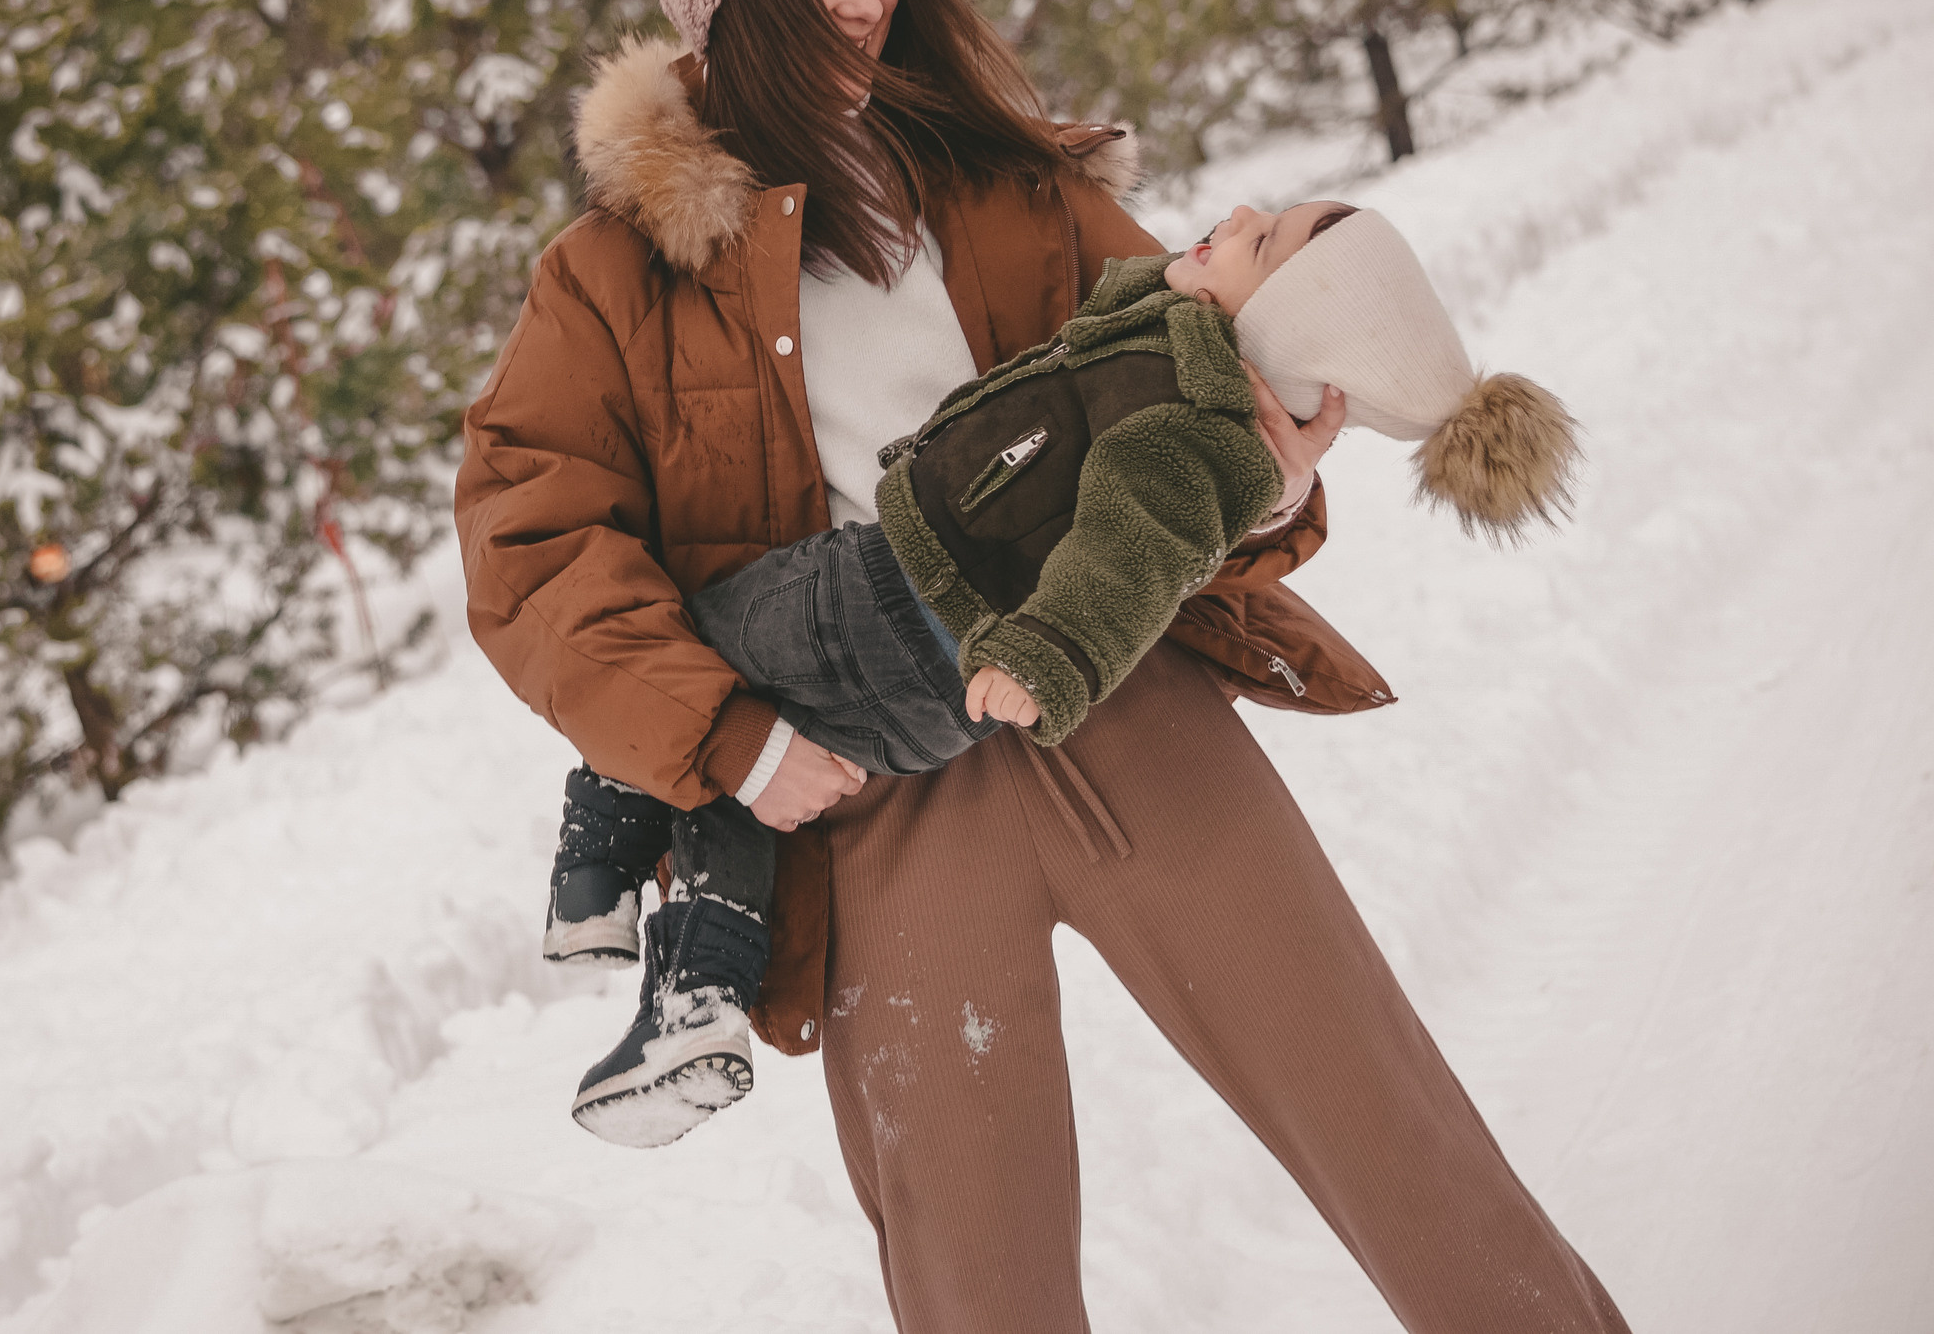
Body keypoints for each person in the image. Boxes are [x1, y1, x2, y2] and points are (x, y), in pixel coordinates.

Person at [457, 0, 1629, 1334]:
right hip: (879, 801)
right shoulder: (612, 275)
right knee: (973, 1264)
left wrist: (1275, 488)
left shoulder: (1004, 178)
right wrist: (725, 742)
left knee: (1381, 1113)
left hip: (1120, 695)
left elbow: (1200, 387)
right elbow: (529, 547)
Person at [545, 198, 1579, 1146]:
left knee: (687, 656)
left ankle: (592, 878)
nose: (1242, 214)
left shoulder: (1187, 420)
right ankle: (698, 1000)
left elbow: (1128, 554)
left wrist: (1051, 656)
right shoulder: (1176, 363)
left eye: (1262, 243)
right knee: (736, 754)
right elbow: (1099, 337)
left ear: (1275, 326)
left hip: (892, 600)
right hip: (918, 655)